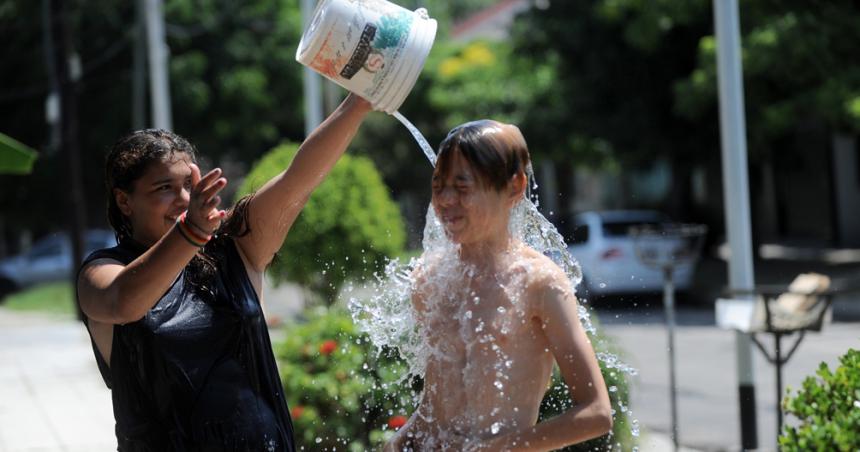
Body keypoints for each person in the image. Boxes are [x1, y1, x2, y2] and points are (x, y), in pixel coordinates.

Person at [77, 94, 372, 451]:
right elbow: (124, 302)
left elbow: (298, 180)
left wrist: (359, 103)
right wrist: (192, 233)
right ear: (125, 201)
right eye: (164, 188)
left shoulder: (232, 246)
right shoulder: (103, 272)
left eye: (189, 185)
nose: (184, 199)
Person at [384, 120, 613, 451]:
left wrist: (493, 450)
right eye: (438, 186)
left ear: (514, 188)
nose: (445, 201)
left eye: (462, 188)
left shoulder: (539, 283)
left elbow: (596, 413)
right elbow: (436, 408)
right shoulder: (430, 276)